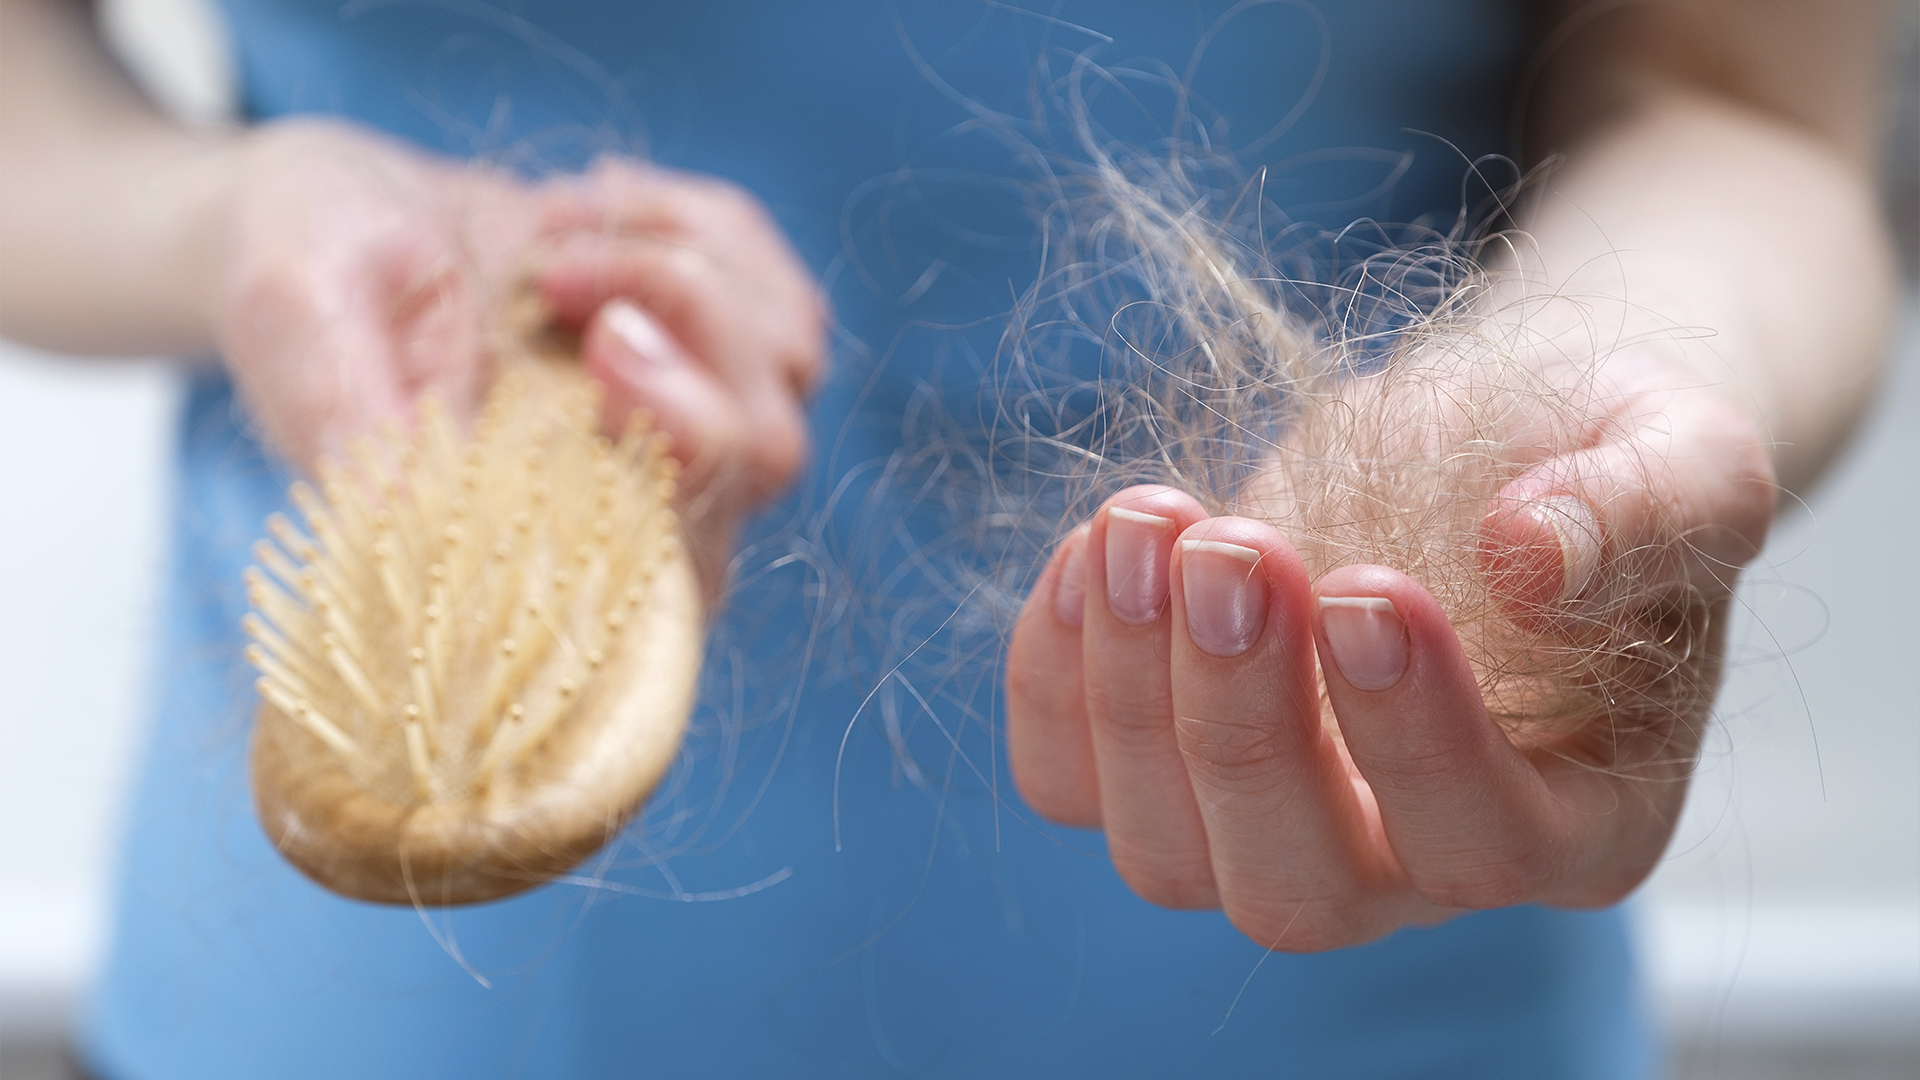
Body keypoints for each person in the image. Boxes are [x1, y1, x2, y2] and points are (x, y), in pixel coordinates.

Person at [0, 1, 1897, 1077]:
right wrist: (224, 218)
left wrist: (1613, 398)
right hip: (350, 1015)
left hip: (1362, 955)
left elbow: (1734, 102)